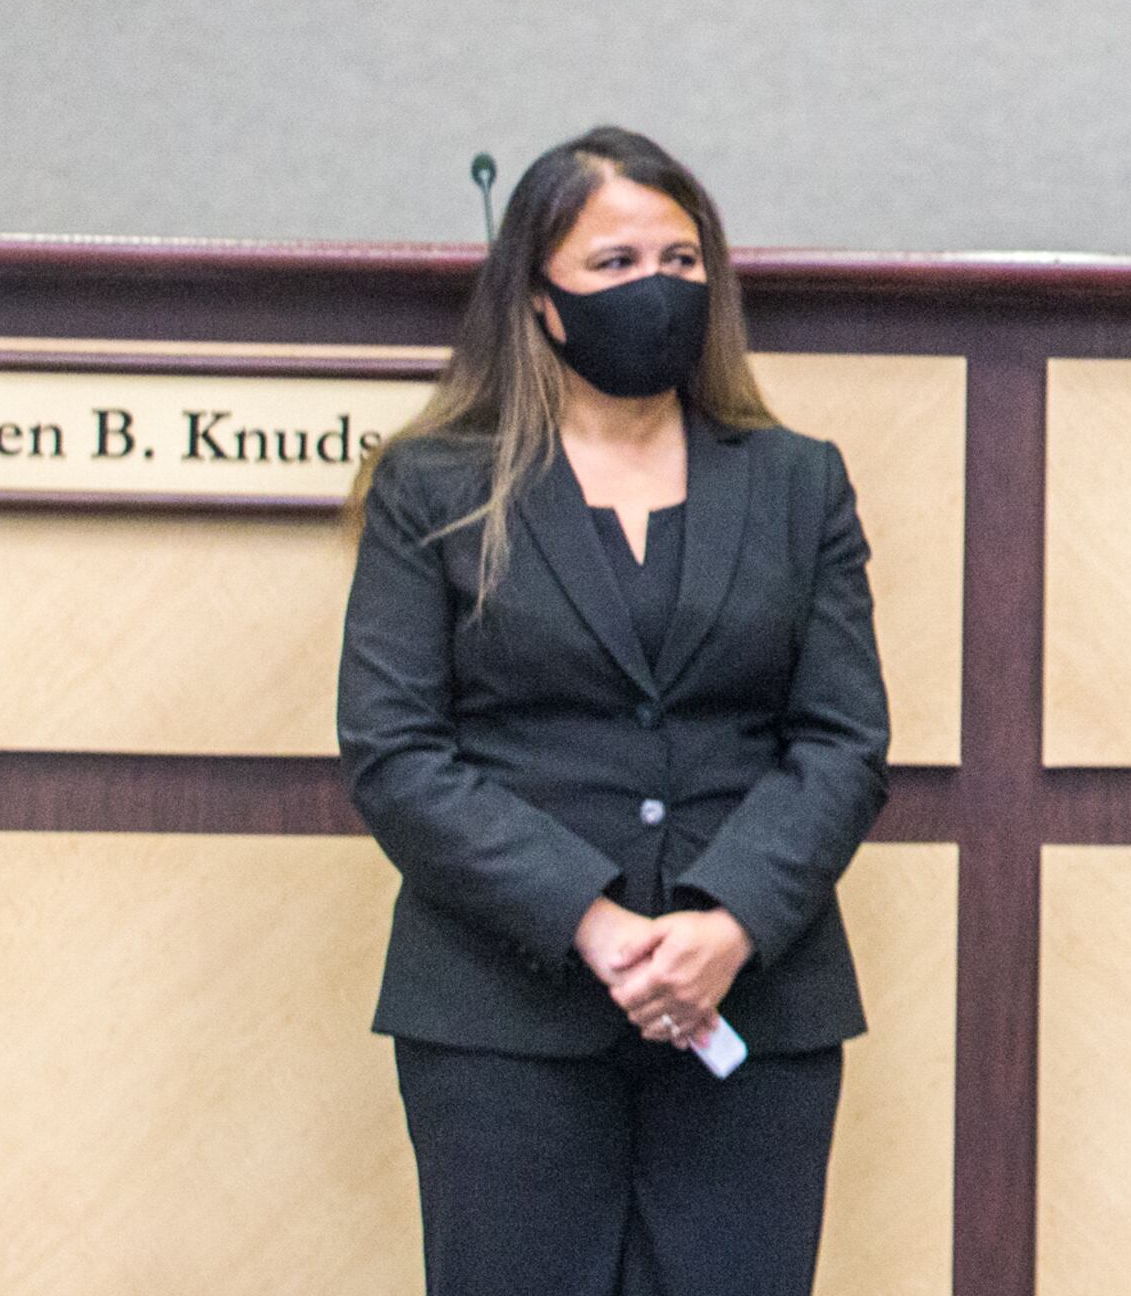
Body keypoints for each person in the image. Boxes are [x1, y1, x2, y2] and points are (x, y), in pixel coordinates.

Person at [338, 127, 888, 1296]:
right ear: (539, 301)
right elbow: (395, 751)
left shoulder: (799, 481)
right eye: (617, 261)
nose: (661, 288)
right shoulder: (435, 485)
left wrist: (727, 922)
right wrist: (593, 920)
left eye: (684, 260)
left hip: (756, 1007)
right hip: (503, 1014)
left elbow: (842, 739)